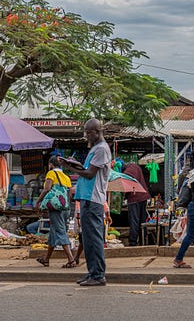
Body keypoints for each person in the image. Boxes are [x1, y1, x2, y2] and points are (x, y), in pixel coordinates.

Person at [60, 118, 111, 287]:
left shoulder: (102, 149)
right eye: (86, 132)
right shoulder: (95, 149)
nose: (87, 135)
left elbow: (90, 174)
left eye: (89, 132)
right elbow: (87, 170)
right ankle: (92, 272)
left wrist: (70, 169)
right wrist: (73, 165)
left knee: (94, 239)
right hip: (87, 198)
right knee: (87, 239)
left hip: (93, 199)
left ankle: (98, 275)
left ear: (98, 131)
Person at [35, 156, 77, 268]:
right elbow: (69, 195)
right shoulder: (66, 177)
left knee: (61, 232)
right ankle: (46, 259)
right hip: (66, 208)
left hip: (56, 209)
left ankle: (71, 259)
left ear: (51, 164)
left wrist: (39, 201)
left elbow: (47, 188)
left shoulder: (51, 173)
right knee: (54, 232)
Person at [122, 162, 150, 246]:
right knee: (142, 221)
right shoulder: (135, 166)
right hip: (143, 196)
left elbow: (128, 176)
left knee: (134, 221)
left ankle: (133, 242)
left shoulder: (130, 168)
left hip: (134, 198)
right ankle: (143, 241)